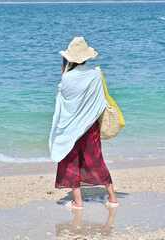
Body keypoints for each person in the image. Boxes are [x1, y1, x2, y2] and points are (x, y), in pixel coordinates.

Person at [49, 36, 119, 209]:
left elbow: (64, 102)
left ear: (69, 58)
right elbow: (100, 99)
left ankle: (78, 202)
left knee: (71, 161)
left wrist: (63, 69)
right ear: (86, 57)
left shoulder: (67, 78)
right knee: (96, 160)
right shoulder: (96, 74)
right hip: (90, 126)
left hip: (72, 128)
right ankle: (112, 198)